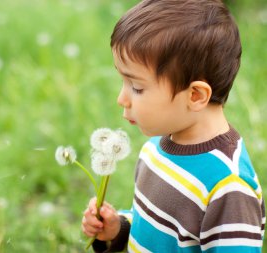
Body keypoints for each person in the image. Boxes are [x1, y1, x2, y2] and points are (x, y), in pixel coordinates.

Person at [81, 0, 265, 252]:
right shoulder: (156, 149)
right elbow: (156, 229)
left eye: (136, 87)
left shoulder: (228, 187)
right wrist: (118, 228)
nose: (121, 98)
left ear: (195, 96)